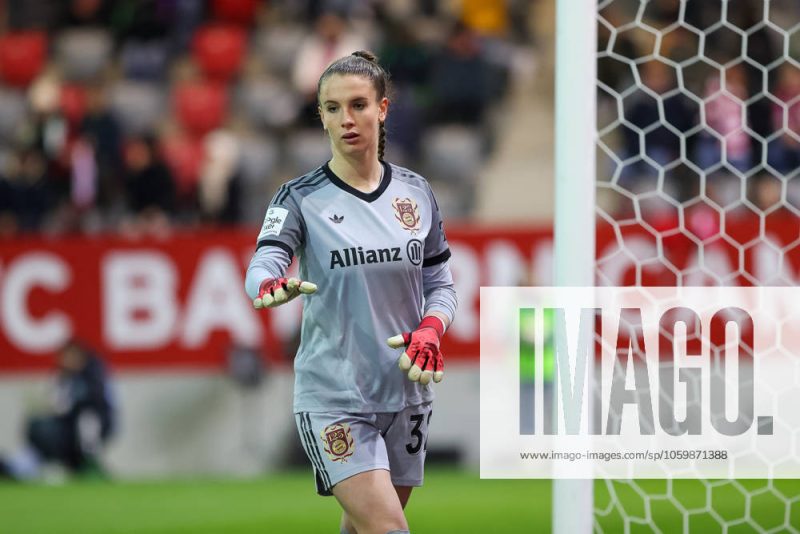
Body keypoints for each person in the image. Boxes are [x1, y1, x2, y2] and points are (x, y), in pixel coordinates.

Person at [245, 51, 457, 534]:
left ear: (382, 109)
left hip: (407, 393)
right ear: (321, 117)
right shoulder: (299, 197)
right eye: (333, 108)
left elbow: (440, 284)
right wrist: (268, 284)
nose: (346, 118)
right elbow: (263, 264)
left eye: (358, 104)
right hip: (335, 397)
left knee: (363, 527)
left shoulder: (416, 192)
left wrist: (430, 329)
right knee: (389, 528)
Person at [0, 339, 116, 481]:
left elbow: (96, 401)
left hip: (94, 423)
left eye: (71, 356)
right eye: (65, 357)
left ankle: (89, 462)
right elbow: (57, 403)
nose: (67, 361)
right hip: (66, 428)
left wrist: (71, 405)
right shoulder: (61, 377)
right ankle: (17, 467)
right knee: (38, 428)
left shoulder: (94, 374)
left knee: (87, 420)